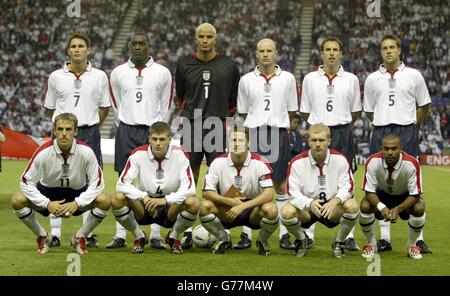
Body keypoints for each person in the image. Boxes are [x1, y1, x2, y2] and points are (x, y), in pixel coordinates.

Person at [364, 34, 431, 254]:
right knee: (381, 185)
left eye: (392, 47)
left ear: (399, 50)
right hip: (381, 130)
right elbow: (369, 110)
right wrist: (382, 124)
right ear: (380, 51)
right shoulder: (373, 78)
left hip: (407, 131)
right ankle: (384, 239)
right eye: (384, 47)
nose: (389, 50)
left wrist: (412, 129)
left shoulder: (414, 75)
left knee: (413, 185)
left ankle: (418, 240)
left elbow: (423, 105)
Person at [43, 32, 111, 248]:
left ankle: (85, 234)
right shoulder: (56, 76)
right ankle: (54, 233)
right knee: (56, 178)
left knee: (91, 182)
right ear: (68, 50)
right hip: (62, 132)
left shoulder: (100, 76)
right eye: (73, 46)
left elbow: (104, 107)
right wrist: (63, 128)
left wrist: (91, 126)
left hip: (89, 132)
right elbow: (50, 108)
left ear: (88, 49)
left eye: (81, 45)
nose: (77, 49)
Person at [175, 23, 240, 248]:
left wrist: (220, 116)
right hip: (192, 124)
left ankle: (222, 230)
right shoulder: (183, 64)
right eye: (201, 36)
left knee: (221, 179)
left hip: (217, 124)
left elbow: (233, 99)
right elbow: (181, 95)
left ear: (215, 39)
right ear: (195, 38)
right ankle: (186, 230)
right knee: (189, 179)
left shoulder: (229, 66)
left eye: (209, 36)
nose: (204, 40)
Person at [107, 31, 173, 250]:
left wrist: (157, 127)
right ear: (129, 46)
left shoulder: (162, 73)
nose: (137, 47)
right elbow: (115, 103)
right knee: (123, 181)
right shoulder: (117, 73)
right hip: (126, 130)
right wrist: (125, 124)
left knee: (153, 180)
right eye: (134, 43)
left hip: (151, 130)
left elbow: (167, 103)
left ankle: (154, 234)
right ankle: (121, 234)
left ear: (149, 46)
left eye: (141, 43)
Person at [10, 113, 109, 254]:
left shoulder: (86, 152)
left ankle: (80, 237)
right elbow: (26, 181)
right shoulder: (43, 152)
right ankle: (43, 236)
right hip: (48, 192)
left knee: (104, 201)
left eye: (68, 129)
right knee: (17, 200)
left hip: (76, 192)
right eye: (60, 129)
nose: (64, 134)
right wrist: (46, 203)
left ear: (75, 131)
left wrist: (78, 203)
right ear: (54, 130)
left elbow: (98, 183)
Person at [300, 36, 362, 251]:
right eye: (328, 49)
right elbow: (305, 110)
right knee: (311, 180)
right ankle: (308, 233)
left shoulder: (352, 79)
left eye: (336, 49)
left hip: (342, 132)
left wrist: (339, 126)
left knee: (346, 181)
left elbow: (355, 112)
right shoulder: (309, 78)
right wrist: (319, 131)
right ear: (322, 53)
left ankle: (349, 235)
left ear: (341, 54)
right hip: (317, 131)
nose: (332, 53)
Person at [237, 38, 298, 250]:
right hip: (254, 134)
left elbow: (291, 110)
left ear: (276, 53)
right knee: (249, 185)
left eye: (269, 51)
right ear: (256, 53)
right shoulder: (246, 80)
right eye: (261, 51)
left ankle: (283, 235)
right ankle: (245, 235)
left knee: (280, 185)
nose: (265, 54)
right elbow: (243, 111)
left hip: (279, 133)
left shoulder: (288, 79)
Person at [111, 122, 199, 254]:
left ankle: (174, 236)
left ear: (169, 139)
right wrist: (144, 197)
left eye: (162, 139)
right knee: (117, 199)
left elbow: (190, 188)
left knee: (193, 203)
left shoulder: (180, 155)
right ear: (149, 139)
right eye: (154, 139)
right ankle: (139, 236)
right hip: (144, 205)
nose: (158, 143)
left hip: (170, 207)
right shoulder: (137, 155)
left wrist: (165, 200)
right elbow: (121, 184)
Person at [281, 123, 359, 258]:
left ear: (329, 141)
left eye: (321, 140)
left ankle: (339, 242)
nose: (318, 144)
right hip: (308, 209)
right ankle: (302, 240)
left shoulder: (341, 159)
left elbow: (348, 187)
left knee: (352, 206)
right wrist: (309, 203)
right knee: (287, 211)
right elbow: (291, 192)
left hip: (332, 209)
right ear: (308, 141)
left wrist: (335, 201)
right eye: (314, 140)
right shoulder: (297, 162)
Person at [200, 127, 278, 256]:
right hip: (228, 210)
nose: (236, 143)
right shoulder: (218, 162)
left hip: (253, 212)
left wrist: (242, 206)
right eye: (233, 140)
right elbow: (206, 192)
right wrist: (229, 201)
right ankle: (223, 239)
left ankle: (262, 240)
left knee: (272, 209)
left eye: (241, 140)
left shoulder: (260, 163)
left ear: (249, 143)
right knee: (204, 206)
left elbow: (269, 194)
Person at [359, 134, 426, 259]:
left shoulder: (411, 163)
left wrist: (398, 209)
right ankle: (371, 244)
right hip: (382, 194)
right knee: (365, 205)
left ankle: (412, 246)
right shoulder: (372, 161)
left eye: (394, 148)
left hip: (405, 196)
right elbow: (369, 191)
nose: (390, 152)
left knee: (419, 208)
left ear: (401, 148)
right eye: (386, 148)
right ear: (381, 148)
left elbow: (415, 194)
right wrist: (382, 207)